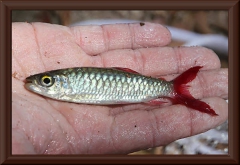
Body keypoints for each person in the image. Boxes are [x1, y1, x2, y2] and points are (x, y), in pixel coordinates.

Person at [12, 22, 228, 154]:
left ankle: (175, 89)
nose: (40, 84)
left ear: (63, 82)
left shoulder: (72, 87)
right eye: (46, 81)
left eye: (47, 81)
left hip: (156, 90)